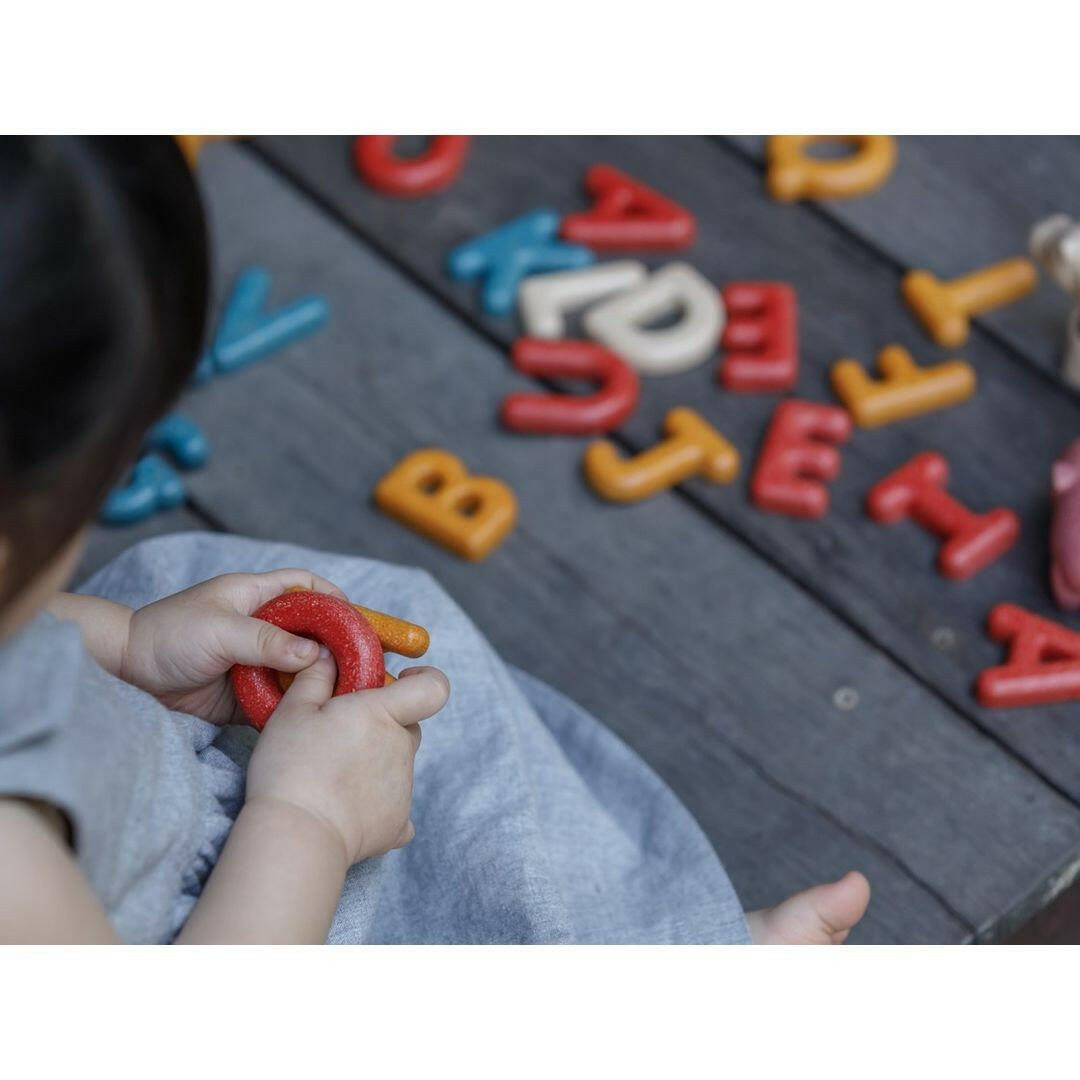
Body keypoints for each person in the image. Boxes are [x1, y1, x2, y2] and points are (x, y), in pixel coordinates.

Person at [0, 136, 870, 944]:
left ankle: (650, 928)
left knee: (405, 708)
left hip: (141, 766)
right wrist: (309, 818)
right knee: (441, 889)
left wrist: (127, 642)